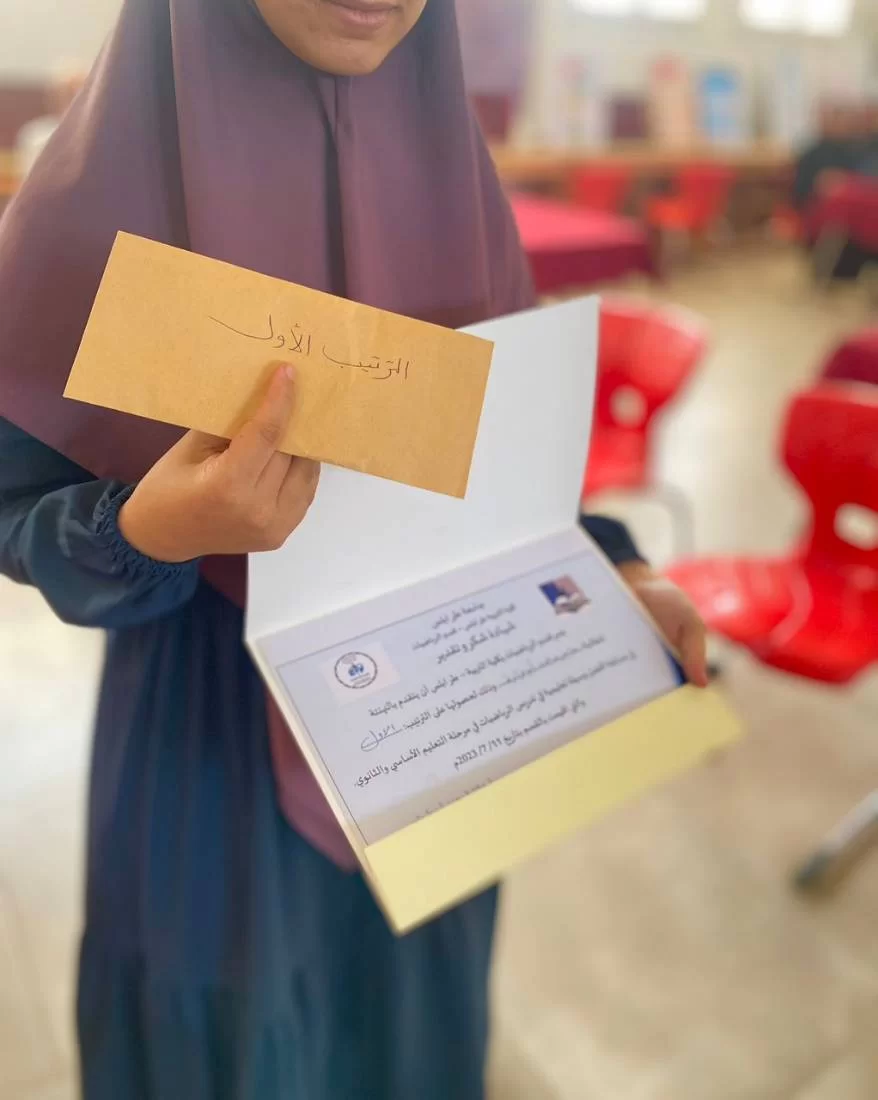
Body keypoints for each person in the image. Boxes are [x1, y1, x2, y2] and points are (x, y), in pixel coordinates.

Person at [0, 2, 708, 1097]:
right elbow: (16, 502)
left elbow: (505, 456)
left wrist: (608, 562)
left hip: (436, 722)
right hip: (209, 730)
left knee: (411, 1023)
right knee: (227, 1040)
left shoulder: (458, 176)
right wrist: (148, 529)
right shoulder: (91, 201)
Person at [14, 65, 87, 179]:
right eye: (68, 93)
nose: (72, 98)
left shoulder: (91, 132)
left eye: (77, 93)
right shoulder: (37, 135)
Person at [792, 101, 859, 210]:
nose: (840, 125)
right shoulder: (810, 155)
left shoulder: (856, 151)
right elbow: (800, 193)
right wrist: (820, 184)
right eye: (833, 119)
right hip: (819, 208)